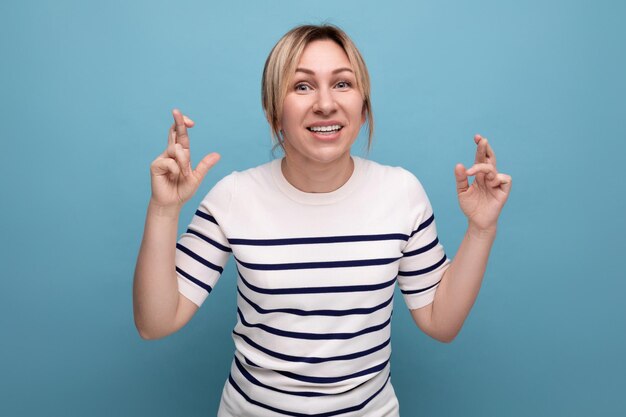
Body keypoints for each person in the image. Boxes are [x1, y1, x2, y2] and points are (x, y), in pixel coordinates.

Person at [133, 24, 511, 417]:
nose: (325, 103)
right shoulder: (234, 196)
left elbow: (440, 322)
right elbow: (155, 323)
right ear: (273, 111)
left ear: (364, 107)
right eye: (302, 87)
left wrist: (481, 230)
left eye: (343, 84)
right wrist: (163, 210)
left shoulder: (401, 193)